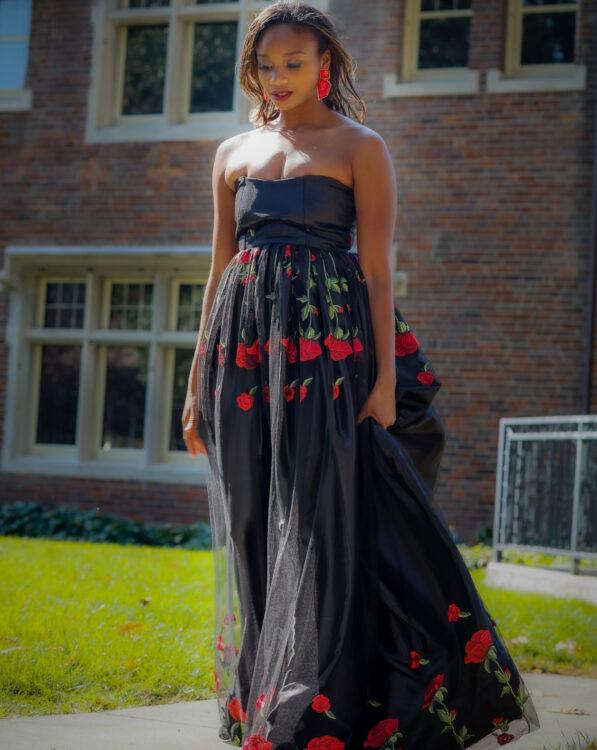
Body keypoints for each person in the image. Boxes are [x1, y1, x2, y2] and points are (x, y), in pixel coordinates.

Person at [182, 2, 541, 748]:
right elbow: (218, 273)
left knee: (322, 521)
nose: (279, 79)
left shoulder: (361, 146)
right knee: (255, 525)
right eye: (266, 66)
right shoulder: (230, 154)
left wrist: (381, 382)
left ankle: (331, 708)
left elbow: (376, 271)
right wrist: (194, 387)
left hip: (328, 356)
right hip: (244, 358)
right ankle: (265, 702)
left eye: (294, 63)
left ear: (326, 64)